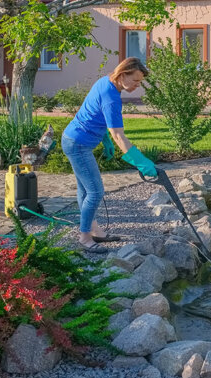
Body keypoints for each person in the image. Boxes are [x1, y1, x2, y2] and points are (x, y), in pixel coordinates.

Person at [61, 57, 157, 254]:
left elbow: (95, 113)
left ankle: (94, 230)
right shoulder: (111, 97)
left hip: (73, 138)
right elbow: (118, 135)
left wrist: (104, 141)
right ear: (123, 75)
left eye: (140, 82)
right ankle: (85, 237)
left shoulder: (105, 81)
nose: (137, 86)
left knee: (86, 191)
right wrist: (140, 161)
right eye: (135, 81)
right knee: (95, 192)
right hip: (78, 144)